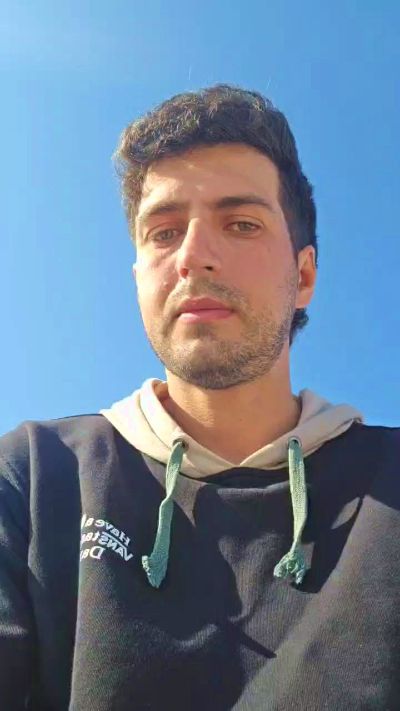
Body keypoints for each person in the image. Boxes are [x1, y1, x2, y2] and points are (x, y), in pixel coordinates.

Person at [0, 84, 399, 711]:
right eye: (162, 232)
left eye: (240, 224)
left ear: (303, 276)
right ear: (138, 277)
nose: (192, 256)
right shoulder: (30, 478)